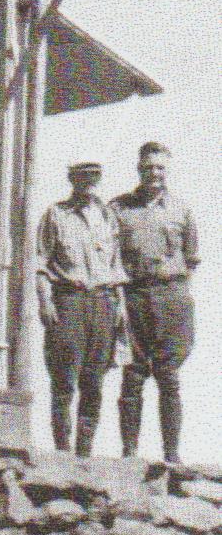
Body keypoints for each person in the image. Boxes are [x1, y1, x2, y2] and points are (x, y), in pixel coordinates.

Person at [111, 142, 199, 464]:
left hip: (171, 298)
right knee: (133, 374)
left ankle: (171, 456)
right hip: (134, 296)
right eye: (148, 168)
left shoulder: (181, 209)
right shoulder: (118, 208)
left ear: (167, 171)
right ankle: (129, 452)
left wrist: (177, 296)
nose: (154, 174)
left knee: (169, 376)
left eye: (160, 168)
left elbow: (191, 260)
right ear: (139, 169)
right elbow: (109, 256)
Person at [36, 161, 127, 456]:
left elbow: (115, 266)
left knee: (94, 381)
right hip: (69, 301)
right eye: (81, 177)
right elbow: (40, 264)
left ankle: (84, 453)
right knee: (64, 378)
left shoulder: (107, 216)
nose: (87, 183)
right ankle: (62, 451)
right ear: (71, 180)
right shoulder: (55, 215)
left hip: (102, 302)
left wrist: (120, 307)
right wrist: (45, 301)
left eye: (93, 178)